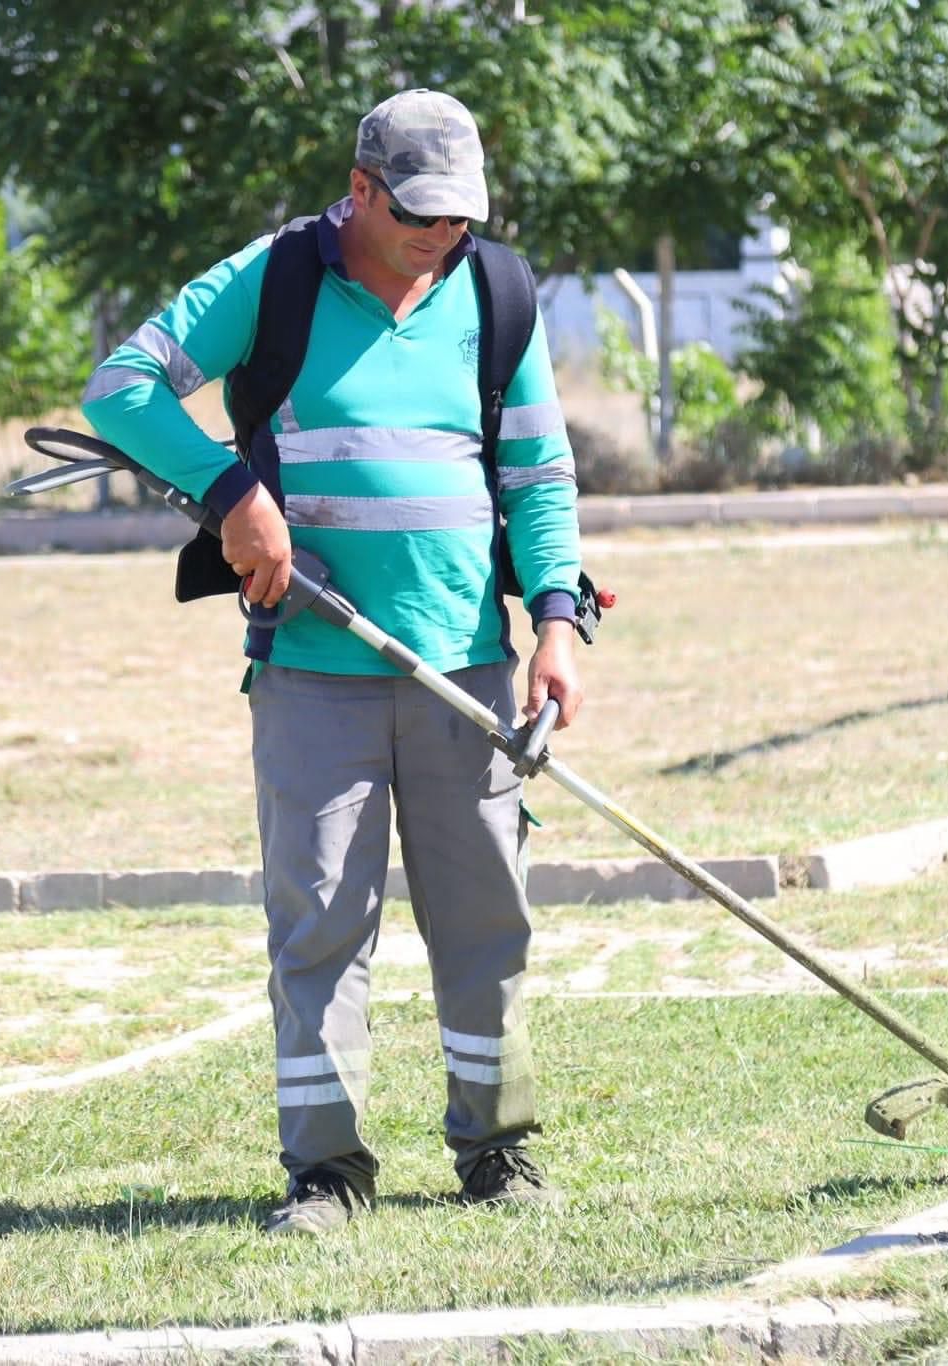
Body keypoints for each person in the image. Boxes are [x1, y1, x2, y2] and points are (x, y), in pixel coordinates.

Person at [79, 88, 584, 1236]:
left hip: (468, 670)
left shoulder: (496, 292)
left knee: (484, 918)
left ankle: (496, 1147)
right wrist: (233, 499)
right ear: (359, 188)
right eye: (419, 213)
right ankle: (326, 1171)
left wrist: (556, 621)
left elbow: (538, 475)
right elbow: (119, 388)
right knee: (318, 919)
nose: (442, 235)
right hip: (314, 667)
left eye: (461, 216)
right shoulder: (276, 278)